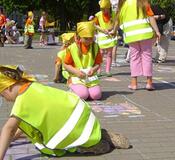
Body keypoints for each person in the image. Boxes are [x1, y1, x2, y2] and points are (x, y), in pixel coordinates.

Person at [0, 65, 131, 159]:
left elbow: (9, 129)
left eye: (2, 95)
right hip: (81, 116)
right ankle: (99, 135)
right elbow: (25, 124)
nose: (5, 99)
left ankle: (98, 144)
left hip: (72, 130)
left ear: (8, 88)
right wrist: (10, 139)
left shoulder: (22, 101)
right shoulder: (33, 86)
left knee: (57, 147)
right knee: (85, 135)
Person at [110, 0, 161, 91]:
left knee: (134, 58)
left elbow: (118, 20)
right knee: (147, 57)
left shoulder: (122, 4)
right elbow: (151, 17)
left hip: (131, 35)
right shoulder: (142, 1)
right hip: (145, 34)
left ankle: (134, 84)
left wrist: (114, 31)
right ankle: (149, 83)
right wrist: (157, 31)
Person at [63, 21, 103, 100]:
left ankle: (85, 89)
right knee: (83, 95)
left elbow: (98, 63)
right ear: (79, 37)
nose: (88, 41)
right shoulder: (72, 48)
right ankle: (72, 87)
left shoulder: (95, 46)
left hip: (90, 77)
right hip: (76, 77)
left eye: (91, 38)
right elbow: (66, 64)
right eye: (86, 38)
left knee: (96, 95)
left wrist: (93, 69)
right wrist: (76, 72)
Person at [94, 0, 117, 77]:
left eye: (105, 9)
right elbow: (95, 24)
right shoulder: (98, 15)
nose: (103, 11)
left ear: (109, 7)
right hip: (102, 36)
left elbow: (116, 23)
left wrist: (111, 28)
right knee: (101, 54)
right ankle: (99, 70)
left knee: (109, 54)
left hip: (110, 36)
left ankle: (108, 71)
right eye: (102, 9)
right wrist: (102, 29)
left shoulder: (113, 14)